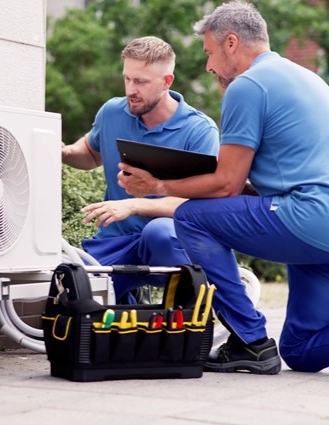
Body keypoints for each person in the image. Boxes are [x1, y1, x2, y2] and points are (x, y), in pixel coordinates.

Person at [118, 0, 329, 375]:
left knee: (192, 218)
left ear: (231, 42)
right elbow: (274, 177)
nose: (209, 66)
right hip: (314, 227)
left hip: (306, 216)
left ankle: (252, 341)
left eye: (209, 52)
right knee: (302, 351)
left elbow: (227, 186)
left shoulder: (248, 85)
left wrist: (156, 185)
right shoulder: (308, 77)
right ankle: (264, 346)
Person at [62, 36, 219, 304]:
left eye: (141, 82)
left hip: (170, 240)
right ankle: (129, 303)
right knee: (75, 292)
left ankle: (195, 306)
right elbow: (89, 154)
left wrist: (134, 206)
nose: (131, 90)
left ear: (167, 82)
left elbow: (201, 203)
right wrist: (60, 152)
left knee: (157, 233)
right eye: (128, 79)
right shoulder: (112, 112)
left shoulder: (199, 131)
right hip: (115, 239)